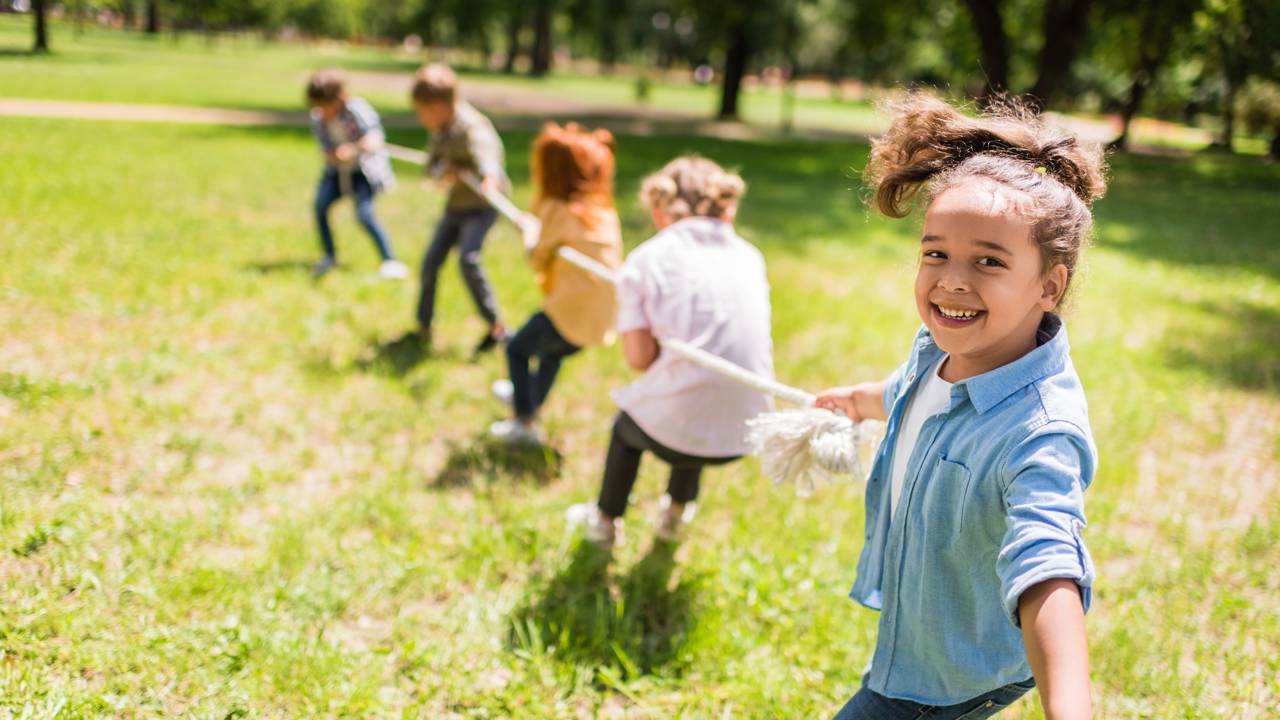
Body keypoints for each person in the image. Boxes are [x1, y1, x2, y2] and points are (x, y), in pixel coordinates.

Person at [815, 94, 1108, 720]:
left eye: (989, 261)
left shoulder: (1038, 431)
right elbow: (906, 395)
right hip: (930, 632)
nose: (951, 279)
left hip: (948, 675)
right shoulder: (938, 352)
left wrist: (1071, 707)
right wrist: (857, 402)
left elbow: (1047, 560)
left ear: (1048, 286)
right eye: (935, 253)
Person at [567, 156, 774, 549]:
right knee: (695, 390)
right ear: (726, 208)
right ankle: (676, 514)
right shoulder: (750, 255)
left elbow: (639, 358)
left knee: (627, 429)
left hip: (681, 430)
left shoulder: (646, 259)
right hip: (745, 428)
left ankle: (605, 522)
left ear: (660, 210)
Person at [489, 123, 624, 444]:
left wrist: (528, 233)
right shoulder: (603, 211)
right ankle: (529, 399)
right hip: (602, 316)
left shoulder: (557, 209)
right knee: (552, 354)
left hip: (570, 311)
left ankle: (524, 423)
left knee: (518, 349)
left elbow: (537, 257)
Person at [411, 63, 511, 355]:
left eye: (422, 112)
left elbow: (486, 153)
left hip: (480, 207)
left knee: (468, 260)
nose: (421, 119)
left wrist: (489, 178)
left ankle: (497, 328)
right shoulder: (440, 129)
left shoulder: (471, 125)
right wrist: (445, 171)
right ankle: (423, 326)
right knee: (431, 263)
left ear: (439, 105)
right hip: (456, 206)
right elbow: (430, 167)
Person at [305, 68, 407, 280]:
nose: (322, 111)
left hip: (364, 172)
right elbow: (326, 152)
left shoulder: (357, 109)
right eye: (318, 106)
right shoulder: (318, 119)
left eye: (325, 105)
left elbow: (375, 138)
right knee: (320, 206)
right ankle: (329, 256)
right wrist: (335, 156)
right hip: (337, 172)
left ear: (338, 98)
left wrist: (354, 149)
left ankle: (390, 260)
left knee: (364, 215)